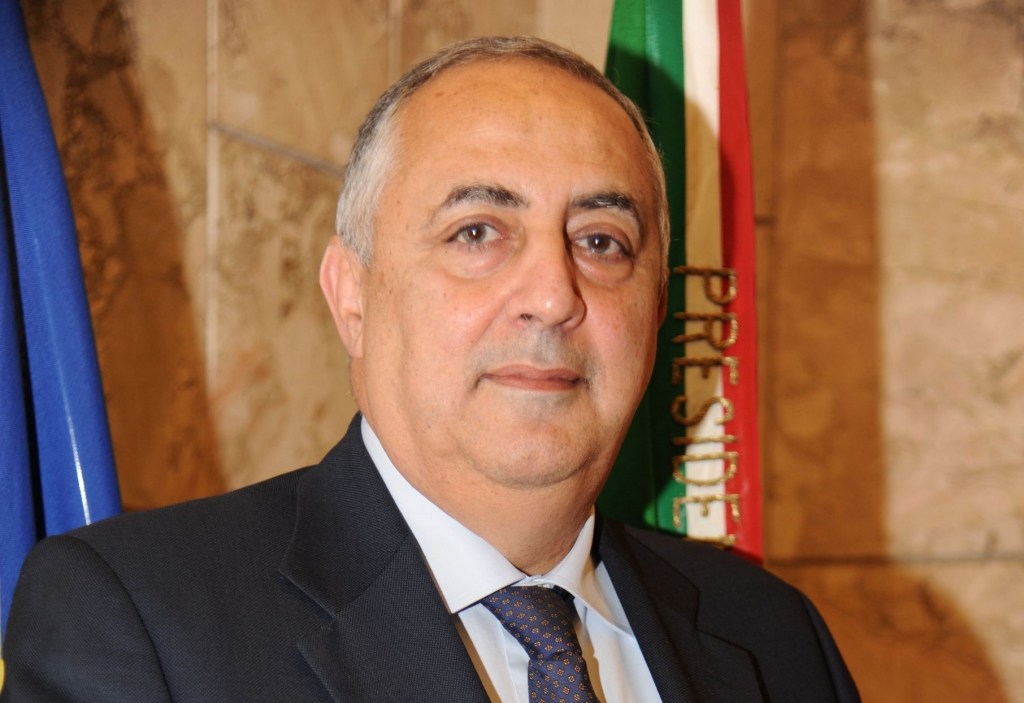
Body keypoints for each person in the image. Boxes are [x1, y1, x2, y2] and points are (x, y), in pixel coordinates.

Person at [0, 37, 859, 702]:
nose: (552, 296)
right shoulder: (142, 620)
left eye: (602, 242)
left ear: (658, 308)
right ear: (352, 295)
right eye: (477, 232)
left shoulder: (777, 640)